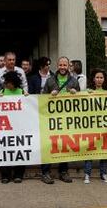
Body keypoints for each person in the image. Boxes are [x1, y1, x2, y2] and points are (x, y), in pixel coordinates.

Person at [41, 56, 80, 184]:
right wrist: (49, 95)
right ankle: (45, 172)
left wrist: (76, 93)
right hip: (52, 118)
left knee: (64, 144)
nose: (63, 67)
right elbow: (42, 99)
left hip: (66, 118)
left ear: (69, 66)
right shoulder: (50, 80)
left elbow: (81, 101)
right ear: (57, 66)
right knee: (49, 144)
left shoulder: (74, 81)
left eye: (65, 65)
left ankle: (63, 171)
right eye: (60, 65)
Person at [0, 71, 26, 183]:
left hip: (19, 127)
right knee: (4, 151)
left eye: (8, 82)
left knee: (19, 151)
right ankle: (5, 175)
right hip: (6, 127)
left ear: (14, 83)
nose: (6, 84)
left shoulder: (22, 92)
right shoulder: (3, 91)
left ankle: (18, 174)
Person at [84, 69, 107, 184]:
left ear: (104, 79)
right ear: (93, 79)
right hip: (91, 126)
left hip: (103, 126)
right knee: (89, 149)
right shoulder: (88, 91)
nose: (99, 80)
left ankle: (103, 173)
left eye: (101, 77)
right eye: (97, 77)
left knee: (103, 150)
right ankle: (87, 174)